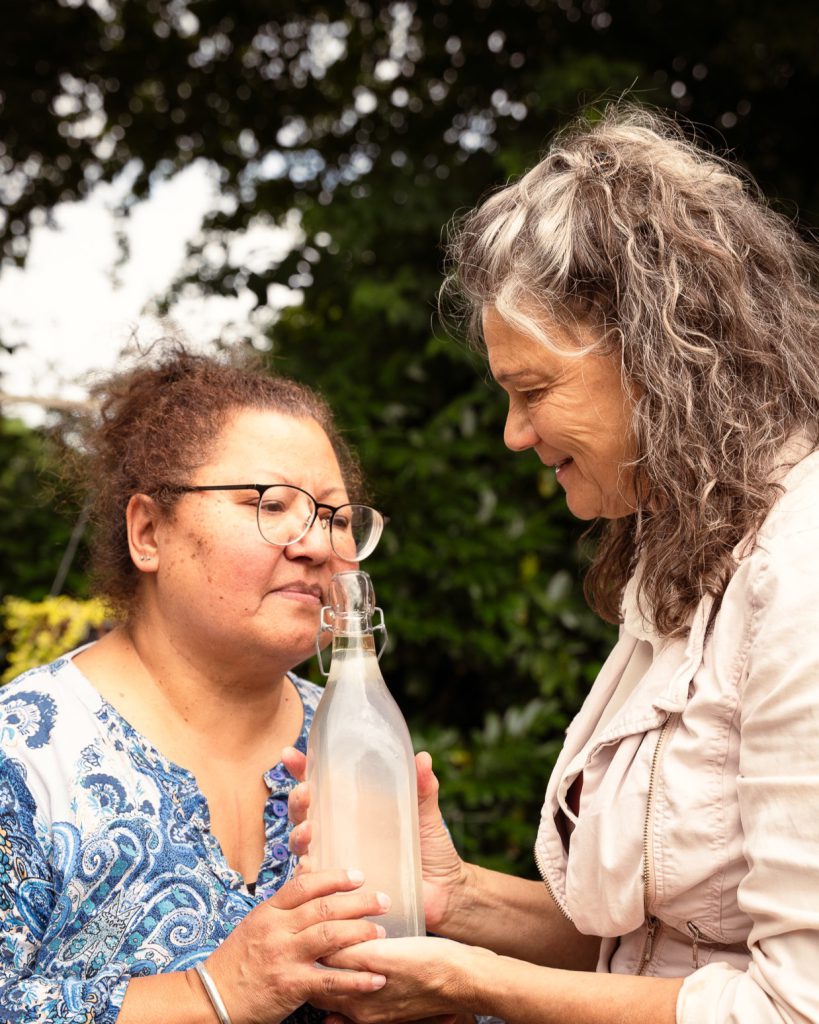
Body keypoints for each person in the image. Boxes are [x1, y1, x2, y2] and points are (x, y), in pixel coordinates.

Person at [284, 103, 819, 1023]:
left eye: (532, 390)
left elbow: (792, 1005)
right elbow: (655, 942)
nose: (513, 434)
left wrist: (464, 981)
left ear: (663, 358)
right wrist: (453, 893)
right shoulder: (690, 559)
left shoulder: (798, 574)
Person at [0, 343, 396, 1024]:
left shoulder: (351, 737)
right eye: (272, 504)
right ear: (148, 531)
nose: (318, 545)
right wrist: (208, 994)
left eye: (335, 517)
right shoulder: (25, 753)